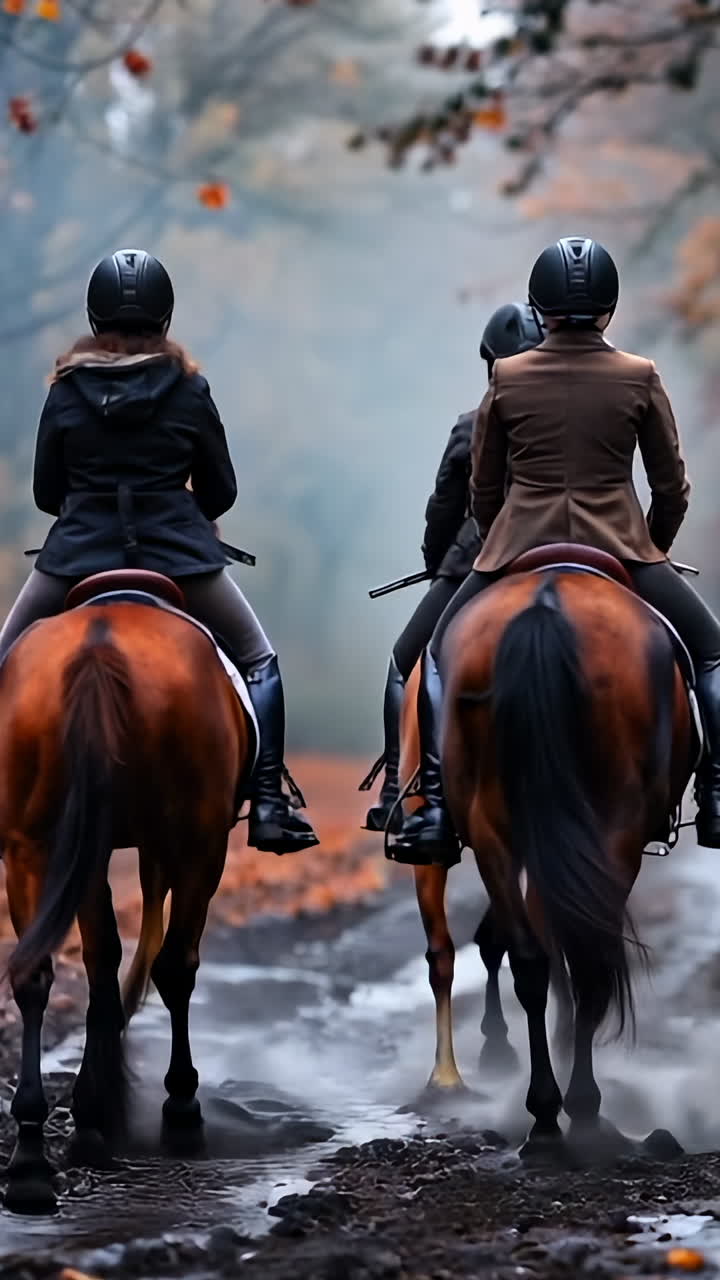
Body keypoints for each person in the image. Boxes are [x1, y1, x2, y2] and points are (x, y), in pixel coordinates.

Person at [394, 235, 720, 864]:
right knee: (709, 650)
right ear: (610, 306)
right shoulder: (640, 375)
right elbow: (672, 486)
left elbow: (484, 490)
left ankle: (432, 802)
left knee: (435, 655)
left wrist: (500, 543)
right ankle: (715, 792)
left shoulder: (508, 377)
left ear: (539, 307)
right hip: (621, 545)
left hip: (516, 545)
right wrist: (649, 548)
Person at [0, 248, 319, 857]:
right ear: (166, 316)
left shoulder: (65, 391)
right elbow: (221, 490)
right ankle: (271, 803)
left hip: (76, 558)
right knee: (258, 660)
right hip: (178, 557)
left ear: (94, 315)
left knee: (6, 660)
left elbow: (46, 495)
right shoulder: (190, 388)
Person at [363, 302, 546, 832]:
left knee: (406, 661)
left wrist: (436, 561)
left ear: (491, 363)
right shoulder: (575, 414)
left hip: (478, 561)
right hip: (565, 546)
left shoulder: (473, 424)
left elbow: (444, 508)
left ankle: (403, 786)